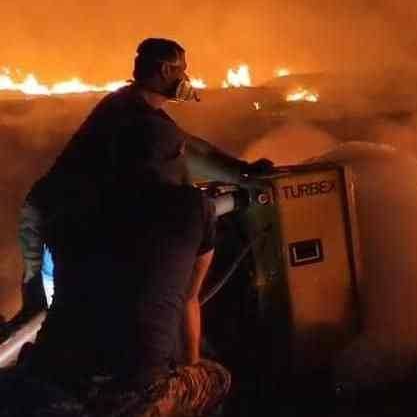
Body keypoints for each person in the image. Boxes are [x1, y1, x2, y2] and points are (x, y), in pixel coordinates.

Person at [1, 38, 272, 339]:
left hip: (47, 213)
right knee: (46, 321)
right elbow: (183, 182)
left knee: (43, 316)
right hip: (54, 223)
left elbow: (189, 147)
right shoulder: (141, 123)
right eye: (181, 70)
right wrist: (242, 183)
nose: (184, 77)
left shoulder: (126, 104)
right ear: (165, 70)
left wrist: (239, 169)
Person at [21, 114, 230, 417]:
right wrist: (190, 365)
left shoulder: (70, 208)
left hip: (56, 370)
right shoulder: (193, 207)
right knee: (217, 379)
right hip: (132, 391)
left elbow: (56, 284)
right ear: (172, 157)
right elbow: (190, 299)